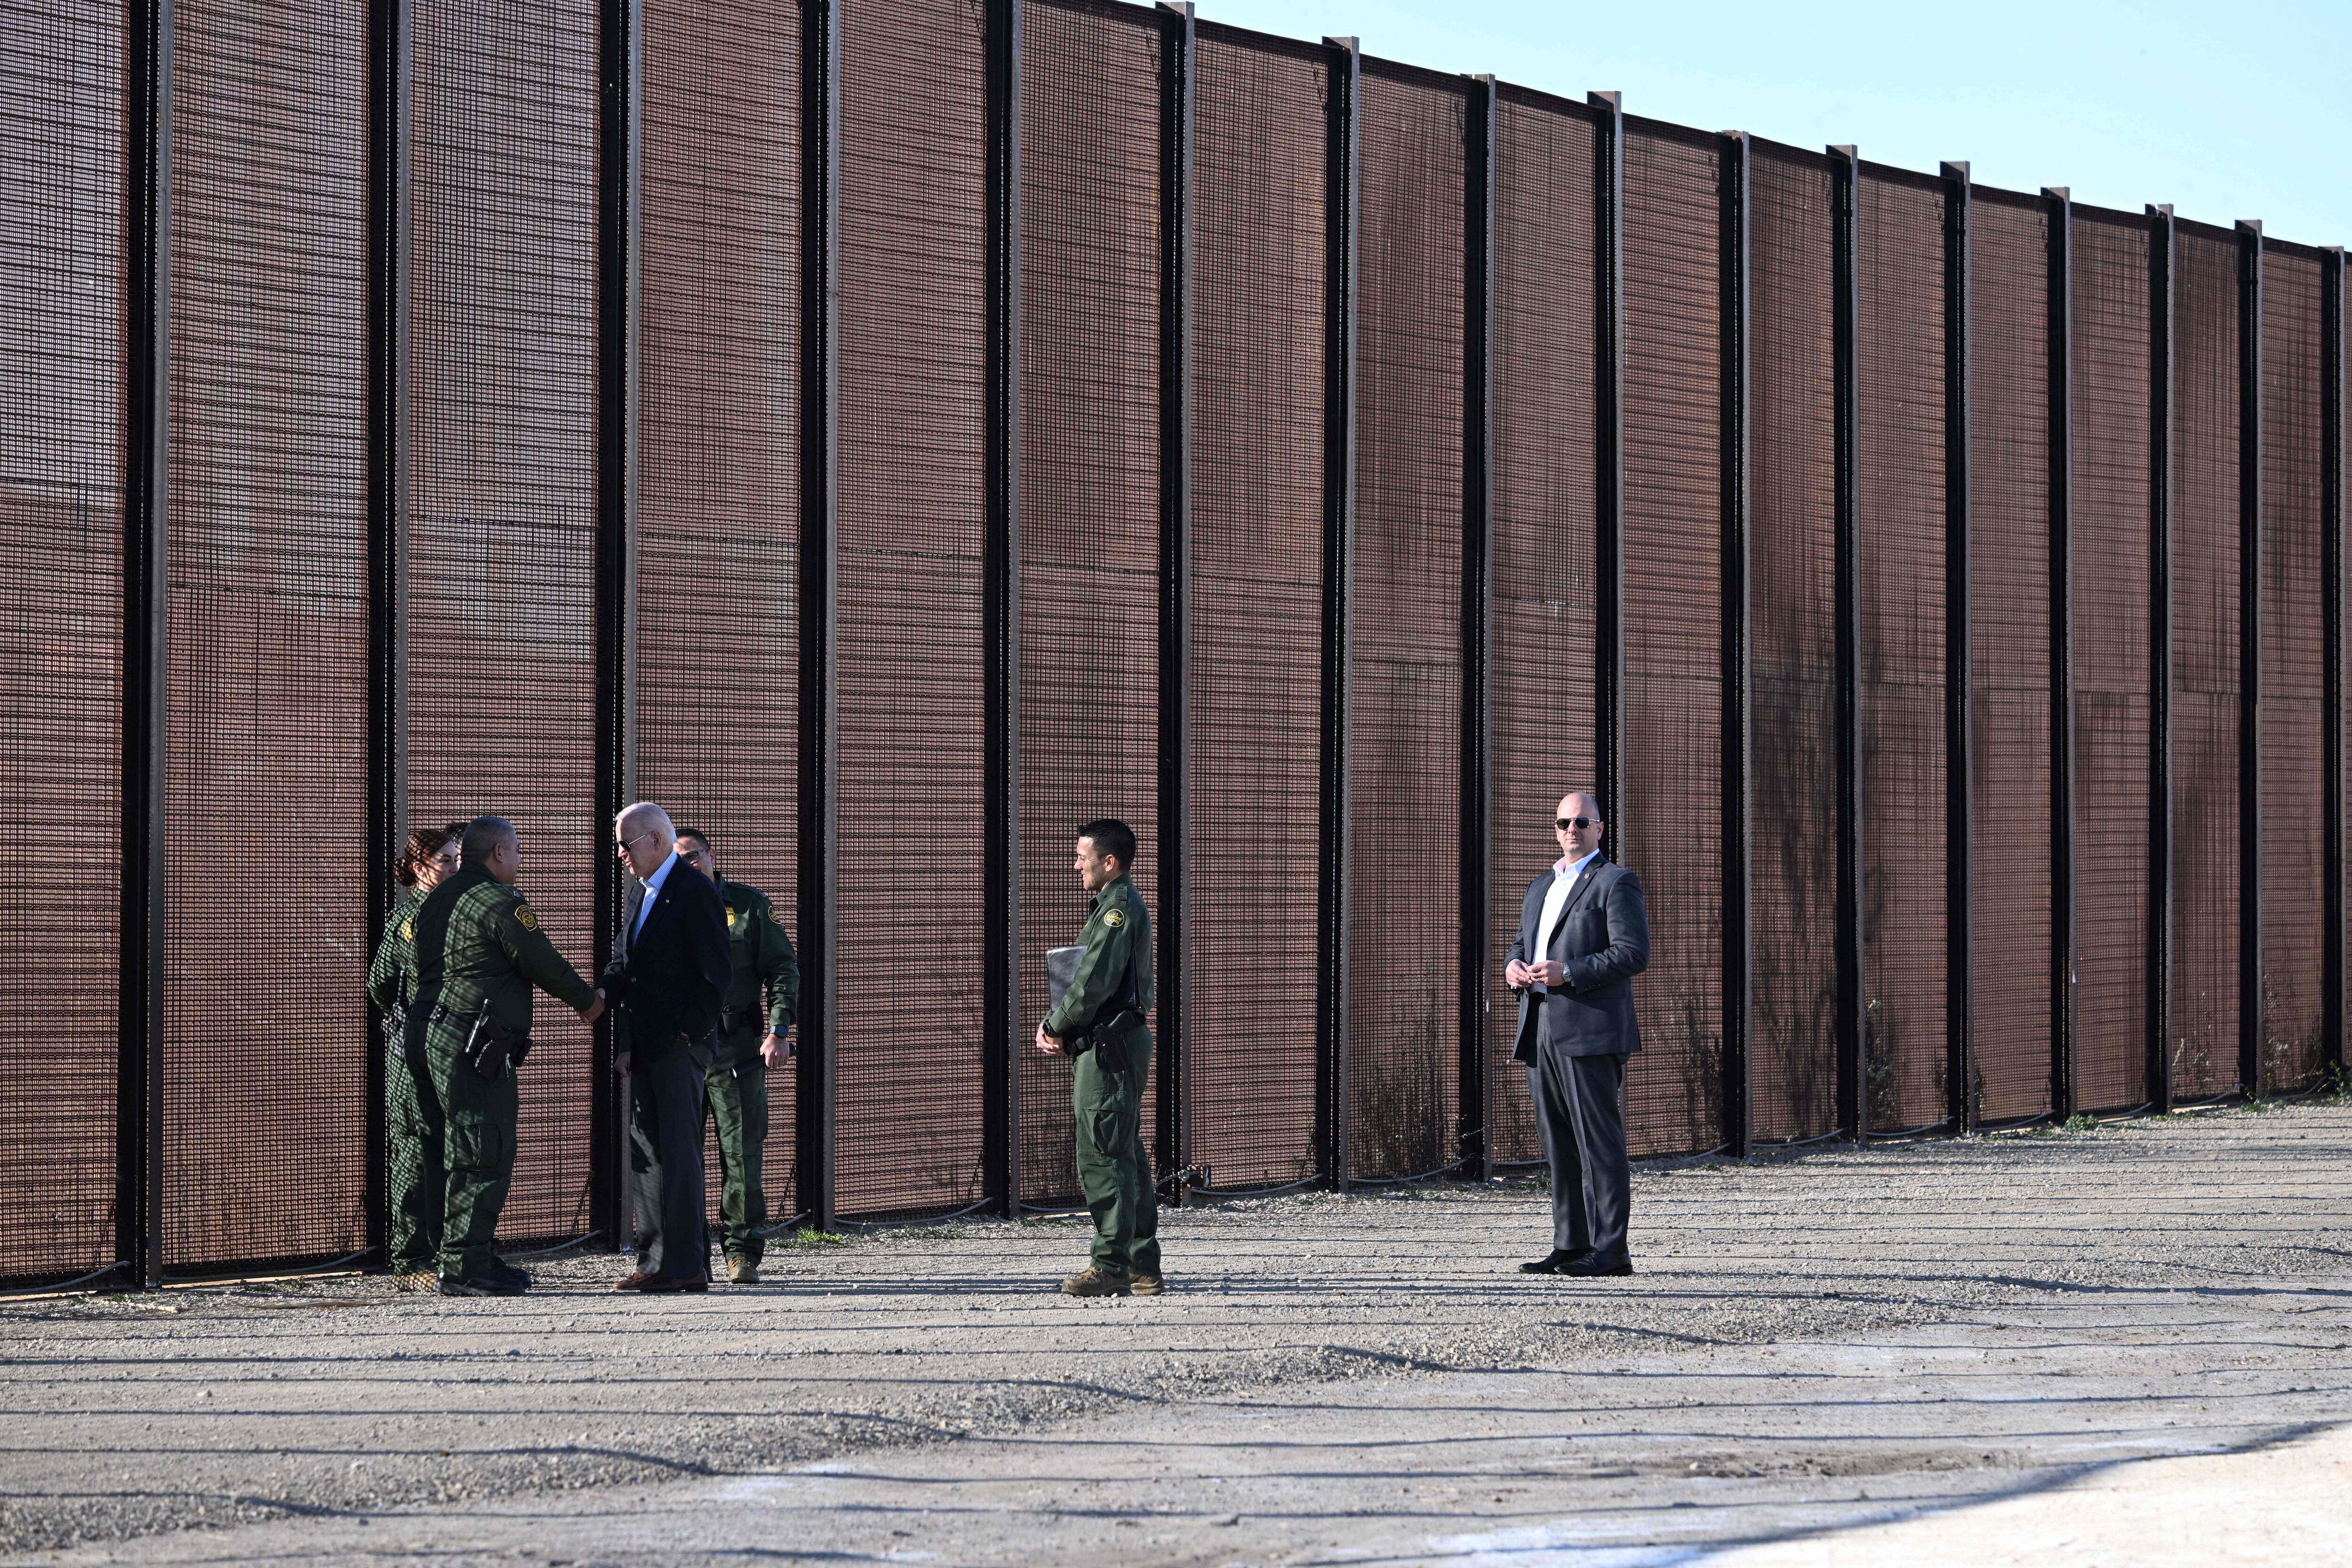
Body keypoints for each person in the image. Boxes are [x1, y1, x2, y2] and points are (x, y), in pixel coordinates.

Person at [407, 815, 604, 1296]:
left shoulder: (436, 899)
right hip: (470, 1042)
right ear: (498, 853)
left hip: (424, 1033)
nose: (519, 861)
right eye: (516, 852)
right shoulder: (499, 902)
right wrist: (589, 1002)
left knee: (450, 1150)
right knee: (483, 1148)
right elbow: (541, 961)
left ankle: (467, 1251)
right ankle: (464, 1266)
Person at [1505, 790, 1649, 1278]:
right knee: (1559, 1143)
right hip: (1540, 1025)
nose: (1572, 829)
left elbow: (1632, 953)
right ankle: (1570, 1244)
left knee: (1597, 1144)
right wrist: (1512, 969)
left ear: (1599, 829)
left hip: (1589, 1030)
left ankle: (1612, 1251)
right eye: (1564, 822)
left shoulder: (1615, 882)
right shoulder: (1540, 886)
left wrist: (1571, 971)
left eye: (1581, 822)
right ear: (1555, 829)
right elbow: (1522, 944)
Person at [603, 802, 732, 1293]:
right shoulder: (642, 893)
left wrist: (686, 1035)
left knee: (677, 1156)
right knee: (648, 1155)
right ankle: (654, 1260)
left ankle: (685, 1265)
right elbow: (624, 967)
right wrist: (606, 1010)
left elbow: (716, 974)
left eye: (626, 844)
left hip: (679, 1046)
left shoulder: (693, 890)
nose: (620, 854)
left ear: (656, 839)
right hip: (646, 1045)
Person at [1033, 818, 1161, 1298]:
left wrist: (1054, 1024)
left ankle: (1110, 1265)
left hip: (1109, 1049)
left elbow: (1091, 984)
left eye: (1082, 857)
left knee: (1103, 1154)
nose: (1075, 865)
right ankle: (1139, 1265)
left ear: (1109, 863)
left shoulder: (1116, 910)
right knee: (1123, 1153)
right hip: (1109, 1044)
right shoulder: (1114, 904)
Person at [674, 828, 799, 1285]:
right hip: (682, 1053)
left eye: (692, 858)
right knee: (677, 1158)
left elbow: (783, 969)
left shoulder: (747, 907)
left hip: (735, 1052)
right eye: (676, 860)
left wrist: (778, 1030)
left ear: (710, 857)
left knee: (741, 1158)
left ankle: (741, 1253)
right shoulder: (660, 906)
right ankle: (684, 1256)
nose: (686, 867)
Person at [366, 824, 462, 1290]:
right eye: (444, 859)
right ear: (420, 868)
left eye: (456, 858)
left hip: (449, 1049)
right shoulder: (410, 917)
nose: (454, 866)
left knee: (450, 1149)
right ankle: (412, 1259)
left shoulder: (459, 909)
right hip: (413, 1050)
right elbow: (380, 982)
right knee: (414, 1150)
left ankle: (448, 1252)